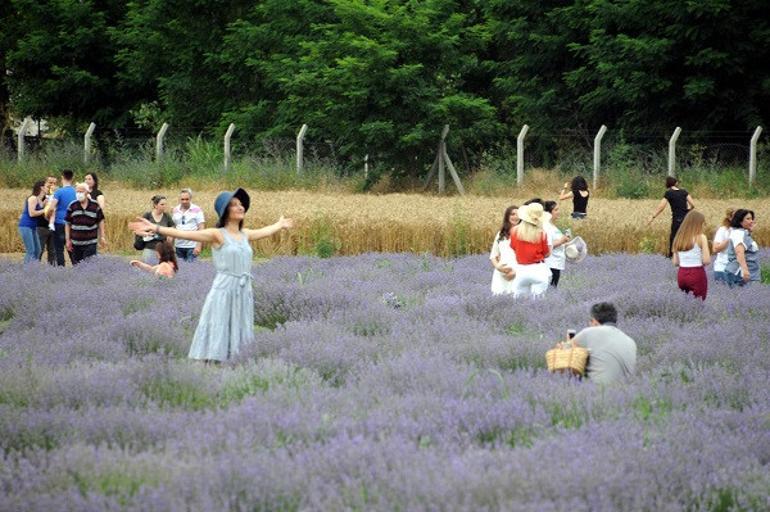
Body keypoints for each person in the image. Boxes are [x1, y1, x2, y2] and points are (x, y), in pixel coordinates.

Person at [129, 188, 293, 363]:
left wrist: (279, 224)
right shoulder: (218, 234)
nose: (240, 207)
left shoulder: (245, 235)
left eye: (241, 205)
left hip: (243, 288)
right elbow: (185, 234)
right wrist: (155, 227)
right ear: (225, 212)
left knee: (239, 322)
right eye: (234, 205)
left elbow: (265, 231)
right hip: (224, 288)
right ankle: (212, 359)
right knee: (220, 321)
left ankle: (236, 358)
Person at [569, 302, 636, 385]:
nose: (589, 324)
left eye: (590, 321)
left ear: (595, 321)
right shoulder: (630, 341)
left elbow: (567, 351)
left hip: (595, 389)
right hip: (624, 390)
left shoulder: (589, 332)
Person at [509, 202, 551, 299]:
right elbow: (546, 253)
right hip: (538, 270)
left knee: (519, 302)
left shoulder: (514, 231)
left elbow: (513, 247)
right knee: (538, 303)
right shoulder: (542, 234)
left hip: (521, 270)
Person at [646, 177, 695, 257]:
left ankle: (672, 256)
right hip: (687, 218)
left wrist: (653, 216)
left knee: (674, 237)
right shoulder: (684, 191)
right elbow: (693, 204)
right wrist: (688, 210)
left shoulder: (669, 193)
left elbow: (661, 207)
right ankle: (688, 255)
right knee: (687, 237)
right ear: (676, 183)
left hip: (677, 219)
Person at [671, 210, 711, 300]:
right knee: (698, 304)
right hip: (696, 273)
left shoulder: (678, 238)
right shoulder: (701, 237)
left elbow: (675, 262)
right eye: (702, 223)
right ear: (698, 224)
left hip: (681, 274)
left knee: (686, 304)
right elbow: (706, 260)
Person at [65, 182, 106, 264]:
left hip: (90, 242)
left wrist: (102, 236)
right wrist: (67, 240)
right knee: (77, 266)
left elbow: (101, 221)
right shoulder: (72, 206)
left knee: (88, 267)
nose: (79, 194)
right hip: (76, 243)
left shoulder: (95, 205)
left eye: (81, 191)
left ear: (87, 192)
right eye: (77, 192)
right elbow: (67, 223)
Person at [47, 169, 77, 266]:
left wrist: (48, 216)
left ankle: (61, 270)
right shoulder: (76, 192)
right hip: (73, 224)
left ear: (62, 178)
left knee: (59, 249)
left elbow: (51, 207)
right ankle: (77, 267)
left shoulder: (59, 192)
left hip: (59, 223)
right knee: (72, 248)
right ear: (72, 178)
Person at [725, 209, 760, 287]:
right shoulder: (738, 233)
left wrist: (749, 232)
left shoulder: (742, 232)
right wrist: (745, 271)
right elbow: (739, 252)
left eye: (752, 218)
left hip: (747, 274)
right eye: (748, 219)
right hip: (741, 275)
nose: (751, 221)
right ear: (740, 221)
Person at [489, 205, 518, 295]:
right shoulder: (501, 234)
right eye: (512, 214)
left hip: (518, 272)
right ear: (507, 216)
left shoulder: (524, 234)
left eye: (518, 214)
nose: (515, 217)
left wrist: (515, 272)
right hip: (501, 273)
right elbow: (493, 255)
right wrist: (498, 267)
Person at [171, 188, 205, 262]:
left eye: (187, 199)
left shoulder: (197, 210)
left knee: (192, 271)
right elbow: (173, 228)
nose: (184, 201)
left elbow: (201, 228)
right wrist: (171, 245)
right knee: (180, 271)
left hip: (192, 247)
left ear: (190, 198)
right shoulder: (175, 210)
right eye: (182, 199)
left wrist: (199, 245)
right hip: (178, 246)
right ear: (179, 199)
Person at [17, 180, 47, 263]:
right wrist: (45, 210)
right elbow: (32, 213)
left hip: (32, 227)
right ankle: (26, 271)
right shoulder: (33, 198)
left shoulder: (40, 200)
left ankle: (34, 268)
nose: (48, 188)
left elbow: (41, 210)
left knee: (38, 250)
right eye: (46, 186)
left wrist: (46, 204)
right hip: (26, 226)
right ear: (42, 187)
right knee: (31, 250)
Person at [139, 195, 175, 263]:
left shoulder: (166, 216)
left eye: (165, 204)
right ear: (155, 205)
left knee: (162, 270)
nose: (165, 206)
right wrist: (146, 234)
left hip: (163, 249)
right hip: (150, 248)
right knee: (147, 270)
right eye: (162, 204)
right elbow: (138, 230)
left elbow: (172, 227)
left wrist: (170, 235)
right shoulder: (147, 215)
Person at [543, 201, 571, 287]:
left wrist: (566, 243)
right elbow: (545, 245)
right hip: (550, 263)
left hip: (557, 263)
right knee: (550, 289)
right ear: (548, 212)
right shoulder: (546, 226)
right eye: (556, 210)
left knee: (553, 288)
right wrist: (561, 241)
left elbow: (556, 242)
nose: (558, 212)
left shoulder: (553, 226)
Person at [37, 175, 58, 265]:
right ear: (45, 183)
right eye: (50, 182)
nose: (52, 185)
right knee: (39, 250)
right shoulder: (39, 196)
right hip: (41, 227)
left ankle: (51, 272)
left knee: (53, 252)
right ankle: (32, 270)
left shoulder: (57, 196)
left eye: (54, 183)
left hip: (54, 228)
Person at [711, 208, 734, 284]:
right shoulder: (723, 230)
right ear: (730, 218)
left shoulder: (743, 231)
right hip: (722, 267)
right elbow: (715, 249)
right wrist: (730, 238)